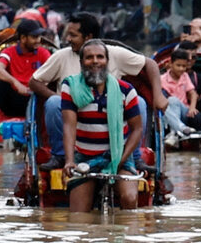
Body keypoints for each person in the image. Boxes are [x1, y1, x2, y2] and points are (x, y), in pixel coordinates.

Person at [29, 11, 166, 171]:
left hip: (111, 116)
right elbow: (34, 82)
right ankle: (60, 156)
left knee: (139, 103)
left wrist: (158, 94)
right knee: (53, 102)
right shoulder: (62, 56)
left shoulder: (113, 53)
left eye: (73, 35)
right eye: (89, 59)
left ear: (89, 37)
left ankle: (134, 157)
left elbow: (150, 64)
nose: (68, 39)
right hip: (74, 117)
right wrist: (61, 99)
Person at [61, 40, 143, 212]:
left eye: (100, 57)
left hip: (120, 155)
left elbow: (137, 129)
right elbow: (69, 126)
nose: (95, 61)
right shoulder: (70, 87)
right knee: (78, 217)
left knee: (130, 198)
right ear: (82, 62)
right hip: (84, 157)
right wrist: (69, 161)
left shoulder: (126, 90)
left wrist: (119, 160)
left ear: (107, 61)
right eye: (89, 57)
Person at [0, 19, 51, 141]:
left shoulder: (43, 53)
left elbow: (52, 71)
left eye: (39, 37)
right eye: (34, 37)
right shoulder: (9, 52)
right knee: (1, 84)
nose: (38, 40)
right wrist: (15, 82)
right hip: (13, 100)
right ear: (23, 38)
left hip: (35, 99)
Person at [159, 48, 199, 140]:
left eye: (184, 66)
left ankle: (175, 131)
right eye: (178, 65)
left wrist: (192, 107)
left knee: (173, 100)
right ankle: (179, 129)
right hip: (168, 113)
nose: (181, 69)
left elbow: (193, 93)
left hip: (184, 111)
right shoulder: (162, 79)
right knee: (170, 102)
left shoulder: (185, 76)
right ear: (170, 64)